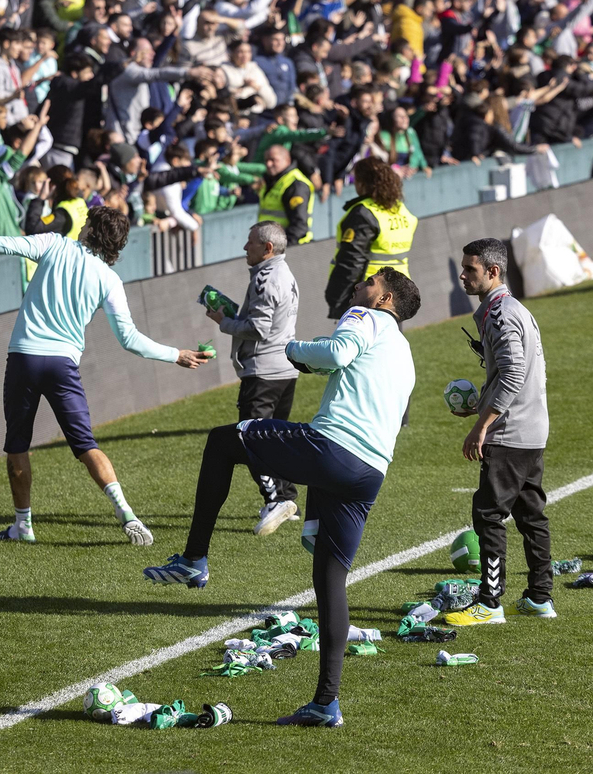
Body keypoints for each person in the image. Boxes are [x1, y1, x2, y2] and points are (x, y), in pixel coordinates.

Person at [144, 270, 420, 728]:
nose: (359, 283)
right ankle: (326, 703)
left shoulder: (365, 316)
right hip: (369, 474)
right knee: (331, 581)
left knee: (221, 441)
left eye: (369, 280)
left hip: (332, 449)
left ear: (385, 297)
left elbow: (335, 352)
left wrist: (293, 349)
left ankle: (194, 558)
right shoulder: (405, 352)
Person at [0, 206, 211, 545]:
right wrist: (175, 354)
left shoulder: (54, 243)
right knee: (86, 444)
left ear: (91, 229)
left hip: (25, 359)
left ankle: (23, 526)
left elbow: (6, 244)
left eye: (88, 222)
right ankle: (126, 513)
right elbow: (130, 340)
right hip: (63, 366)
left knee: (18, 445)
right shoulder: (110, 280)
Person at [444, 237, 555, 626]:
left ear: (493, 272)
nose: (462, 275)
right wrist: (483, 404)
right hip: (532, 428)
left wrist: (481, 425)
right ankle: (540, 598)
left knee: (488, 515)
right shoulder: (510, 308)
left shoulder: (502, 315)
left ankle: (490, 603)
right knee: (531, 516)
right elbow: (517, 374)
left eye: (470, 269)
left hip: (510, 433)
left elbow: (511, 373)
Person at [206, 221, 301, 535]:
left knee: (251, 441)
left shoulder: (265, 278)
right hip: (285, 369)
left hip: (264, 372)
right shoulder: (285, 273)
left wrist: (225, 322)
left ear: (267, 248)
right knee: (274, 440)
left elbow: (258, 329)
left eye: (250, 243)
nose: (245, 248)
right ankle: (286, 497)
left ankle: (276, 500)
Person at [323, 158, 417, 320]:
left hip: (368, 294)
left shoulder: (363, 213)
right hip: (396, 293)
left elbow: (350, 262)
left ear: (363, 183)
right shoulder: (400, 209)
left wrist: (337, 299)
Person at [256, 144, 314, 244]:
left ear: (286, 160)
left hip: (292, 248)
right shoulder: (273, 181)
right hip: (272, 246)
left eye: (273, 160)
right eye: (266, 160)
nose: (268, 164)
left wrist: (283, 249)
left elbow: (299, 226)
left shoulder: (295, 184)